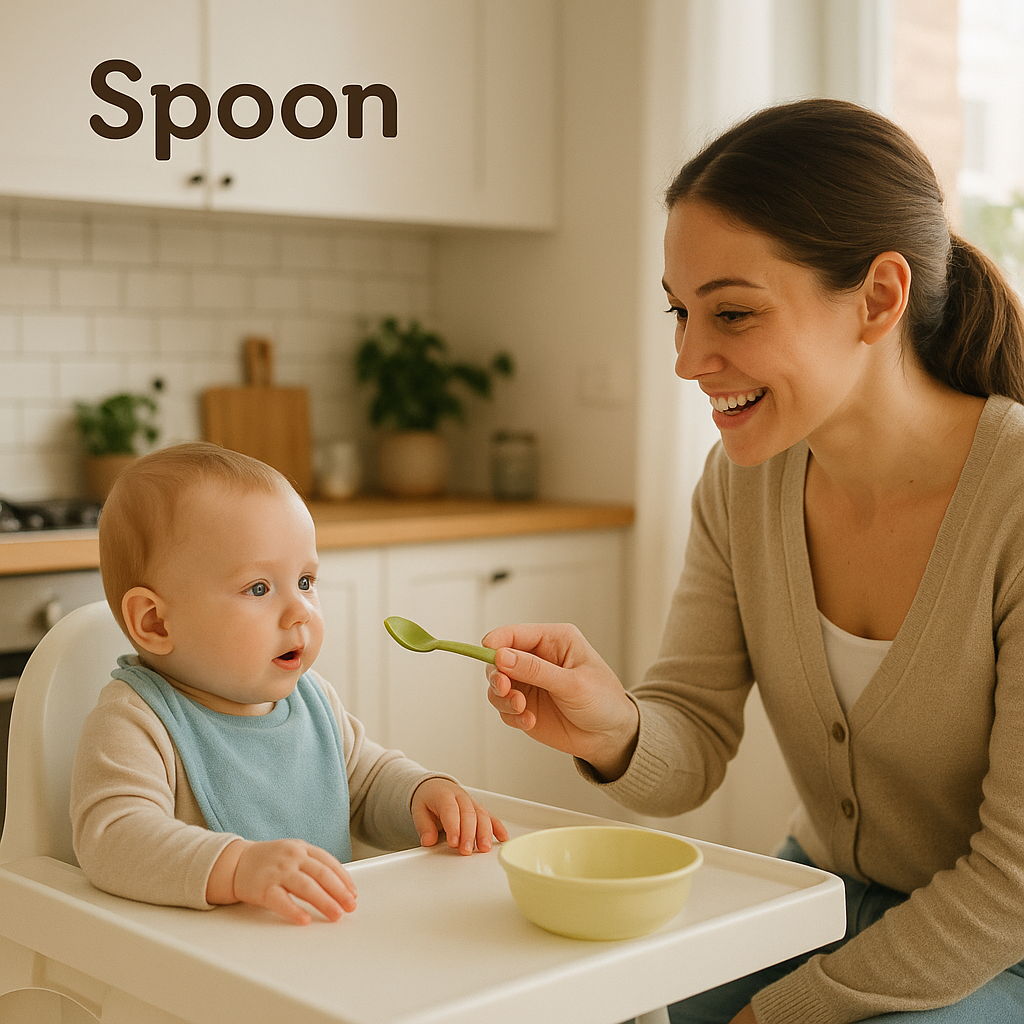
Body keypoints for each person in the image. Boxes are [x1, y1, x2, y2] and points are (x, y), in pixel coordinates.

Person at [482, 98, 1024, 1023]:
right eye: (680, 312)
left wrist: (781, 1013)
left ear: (879, 299)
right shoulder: (744, 484)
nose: (689, 359)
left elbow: (1011, 881)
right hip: (822, 899)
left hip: (993, 937)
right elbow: (691, 738)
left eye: (732, 312)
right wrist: (613, 728)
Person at [71, 441, 506, 926]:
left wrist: (422, 795)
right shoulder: (136, 721)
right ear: (155, 622)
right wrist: (236, 867)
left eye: (305, 581)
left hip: (320, 943)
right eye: (258, 588)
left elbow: (366, 783)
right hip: (211, 959)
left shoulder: (312, 700)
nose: (301, 610)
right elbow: (113, 838)